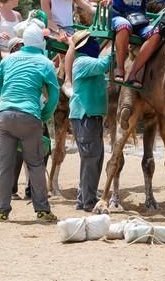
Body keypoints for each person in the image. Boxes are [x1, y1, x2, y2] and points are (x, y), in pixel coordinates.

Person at [0, 24, 59, 222]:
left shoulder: (8, 59)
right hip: (30, 117)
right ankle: (42, 210)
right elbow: (54, 95)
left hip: (5, 116)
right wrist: (44, 115)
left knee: (4, 165)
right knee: (35, 164)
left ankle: (1, 210)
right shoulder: (45, 63)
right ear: (41, 43)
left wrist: (9, 97)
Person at [67, 30, 111, 211]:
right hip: (86, 117)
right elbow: (105, 64)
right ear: (85, 46)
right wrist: (115, 46)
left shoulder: (84, 62)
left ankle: (82, 198)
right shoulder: (84, 62)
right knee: (92, 159)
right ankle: (88, 202)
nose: (95, 44)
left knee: (92, 159)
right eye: (93, 41)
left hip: (89, 116)